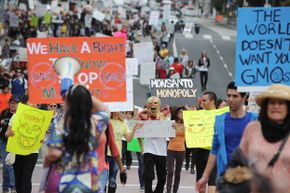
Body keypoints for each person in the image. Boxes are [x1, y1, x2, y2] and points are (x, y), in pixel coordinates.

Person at [43, 85, 111, 192]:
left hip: (64, 183)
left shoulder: (60, 123)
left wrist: (47, 158)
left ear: (69, 103)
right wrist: (83, 94)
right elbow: (105, 109)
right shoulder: (96, 121)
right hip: (89, 182)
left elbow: (54, 153)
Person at [196, 82, 257, 193]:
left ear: (244, 98)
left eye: (235, 96)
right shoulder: (220, 120)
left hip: (249, 177)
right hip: (225, 175)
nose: (230, 99)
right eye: (228, 95)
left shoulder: (254, 119)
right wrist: (205, 176)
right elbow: (214, 149)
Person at [239, 84, 290, 193]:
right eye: (272, 102)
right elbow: (239, 160)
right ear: (266, 106)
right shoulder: (252, 129)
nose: (276, 106)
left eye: (281, 103)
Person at [5, 95, 38, 193]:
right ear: (25, 103)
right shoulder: (15, 116)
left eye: (35, 102)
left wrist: (45, 135)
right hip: (17, 150)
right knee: (18, 179)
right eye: (32, 102)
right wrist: (9, 133)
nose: (34, 104)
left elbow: (43, 136)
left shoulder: (40, 118)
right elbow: (7, 133)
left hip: (32, 151)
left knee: (26, 178)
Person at [107, 112, 143, 193]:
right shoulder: (106, 120)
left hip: (116, 156)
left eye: (121, 110)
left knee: (112, 181)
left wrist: (134, 129)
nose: (120, 112)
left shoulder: (123, 123)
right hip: (104, 154)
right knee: (102, 179)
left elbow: (129, 139)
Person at [138, 96, 168, 193]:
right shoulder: (143, 117)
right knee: (148, 176)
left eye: (155, 103)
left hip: (161, 151)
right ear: (147, 105)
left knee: (162, 178)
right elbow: (137, 133)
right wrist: (141, 147)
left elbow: (170, 136)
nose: (153, 105)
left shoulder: (164, 117)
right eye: (150, 103)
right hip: (148, 150)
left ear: (159, 105)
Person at [195, 91, 218, 193]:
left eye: (204, 100)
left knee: (213, 181)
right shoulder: (198, 114)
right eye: (201, 100)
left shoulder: (221, 114)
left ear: (212, 101)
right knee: (200, 181)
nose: (202, 102)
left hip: (213, 151)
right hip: (199, 150)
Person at [0, 95, 19, 193]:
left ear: (19, 104)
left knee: (11, 166)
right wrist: (1, 122)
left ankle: (11, 187)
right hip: (4, 142)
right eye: (11, 102)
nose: (13, 104)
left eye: (15, 103)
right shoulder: (4, 113)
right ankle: (7, 187)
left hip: (16, 144)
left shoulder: (21, 115)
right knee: (6, 165)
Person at [166, 107, 186, 193]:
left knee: (178, 173)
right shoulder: (172, 123)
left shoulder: (186, 124)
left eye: (183, 112)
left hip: (181, 150)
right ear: (177, 114)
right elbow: (170, 138)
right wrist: (172, 130)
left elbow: (187, 137)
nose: (182, 114)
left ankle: (175, 190)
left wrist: (177, 129)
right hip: (171, 149)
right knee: (170, 171)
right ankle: (168, 189)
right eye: (180, 112)